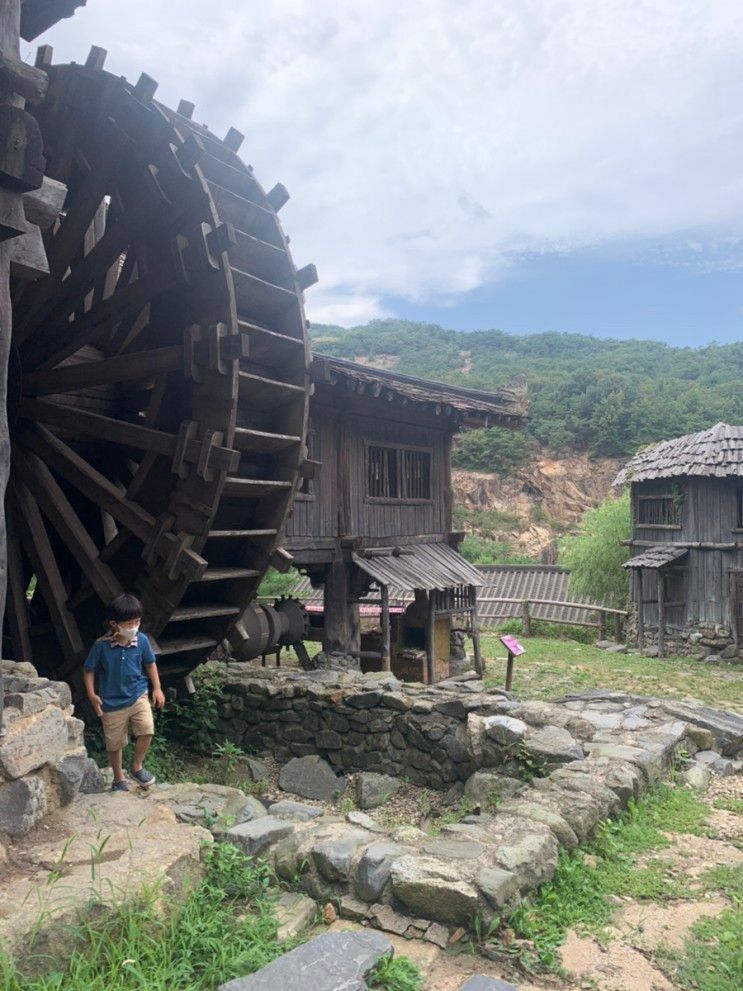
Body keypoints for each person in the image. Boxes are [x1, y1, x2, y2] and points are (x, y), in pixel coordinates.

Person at [82, 593, 165, 792]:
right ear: (114, 624)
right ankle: (119, 779)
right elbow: (88, 670)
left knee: (147, 728)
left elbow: (150, 664)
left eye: (137, 622)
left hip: (138, 694)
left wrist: (157, 688)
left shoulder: (142, 640)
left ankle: (137, 766)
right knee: (114, 743)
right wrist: (92, 695)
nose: (134, 627)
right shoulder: (101, 646)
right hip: (111, 701)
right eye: (129, 623)